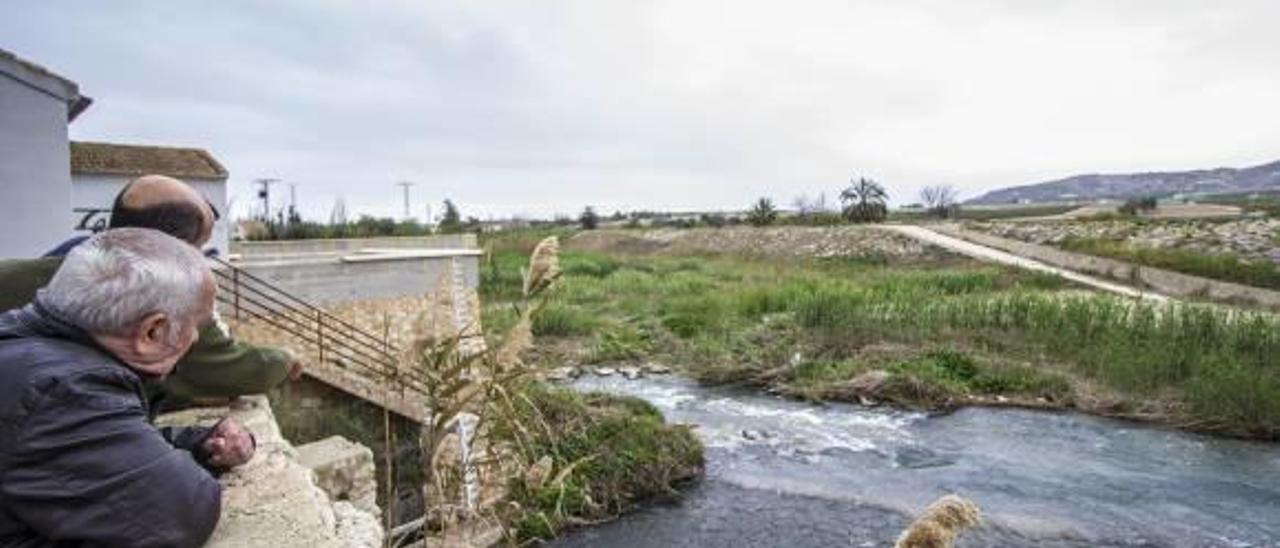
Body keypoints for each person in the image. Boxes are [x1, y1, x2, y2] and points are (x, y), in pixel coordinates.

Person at [0, 228, 255, 547]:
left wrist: (201, 443)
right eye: (196, 325)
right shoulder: (64, 390)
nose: (197, 339)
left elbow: (87, 452)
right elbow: (176, 509)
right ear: (152, 333)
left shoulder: (28, 348)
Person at [0, 175, 303, 407]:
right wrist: (285, 359)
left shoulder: (34, 271)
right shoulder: (164, 298)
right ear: (166, 250)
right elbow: (228, 369)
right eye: (196, 252)